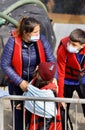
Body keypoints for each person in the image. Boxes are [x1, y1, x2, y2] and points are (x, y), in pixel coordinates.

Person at [1, 17, 58, 130]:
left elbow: (52, 61)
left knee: (36, 116)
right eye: (35, 32)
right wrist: (19, 81)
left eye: (39, 31)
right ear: (25, 33)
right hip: (17, 85)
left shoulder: (41, 41)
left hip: (37, 84)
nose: (38, 34)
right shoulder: (13, 41)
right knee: (19, 117)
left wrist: (54, 77)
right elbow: (4, 64)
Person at [56, 28, 85, 129]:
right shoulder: (63, 49)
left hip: (82, 80)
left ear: (82, 45)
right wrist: (60, 98)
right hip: (66, 81)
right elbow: (60, 73)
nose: (70, 46)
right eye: (69, 42)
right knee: (63, 109)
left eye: (74, 45)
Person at [24, 62, 62, 130]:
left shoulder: (49, 93)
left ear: (39, 74)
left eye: (38, 68)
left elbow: (49, 117)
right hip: (33, 124)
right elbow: (27, 97)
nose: (36, 68)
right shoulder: (33, 83)